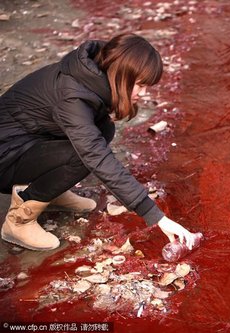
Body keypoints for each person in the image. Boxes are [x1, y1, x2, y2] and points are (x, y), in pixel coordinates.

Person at [0, 33, 197, 251]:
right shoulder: (73, 97)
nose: (143, 94)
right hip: (6, 156)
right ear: (120, 73)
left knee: (103, 129)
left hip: (29, 140)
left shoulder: (93, 73)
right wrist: (155, 215)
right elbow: (95, 155)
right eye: (139, 85)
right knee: (84, 153)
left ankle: (49, 190)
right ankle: (19, 220)